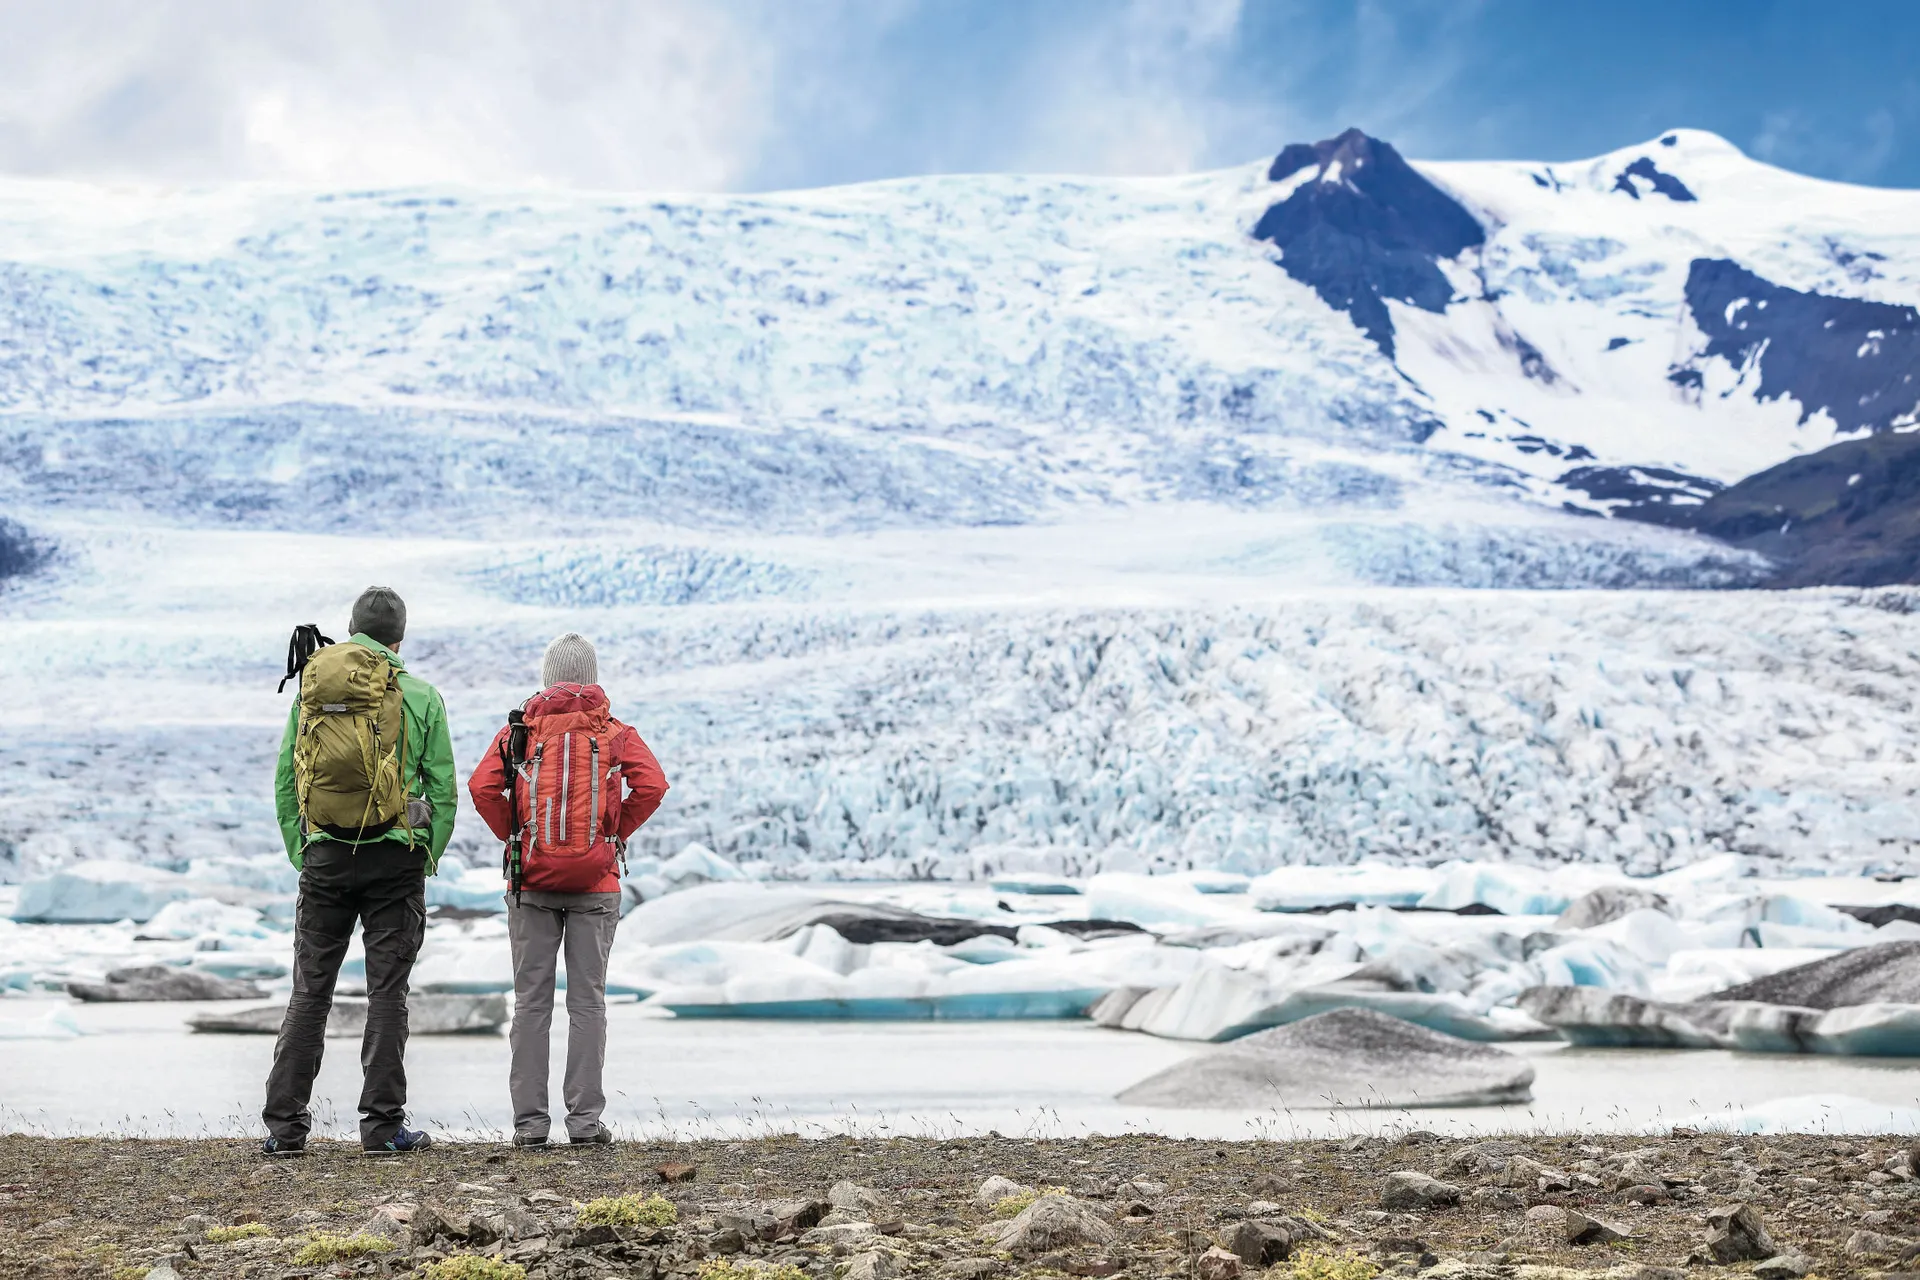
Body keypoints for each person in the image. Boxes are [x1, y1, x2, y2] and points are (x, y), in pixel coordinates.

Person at [262, 587, 458, 1155]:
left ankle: (285, 1128)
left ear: (351, 630)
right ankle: (381, 1127)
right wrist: (425, 853)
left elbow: (285, 783)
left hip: (325, 855)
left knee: (310, 990)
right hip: (393, 860)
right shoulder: (420, 696)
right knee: (387, 993)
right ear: (400, 637)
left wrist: (306, 851)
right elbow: (441, 789)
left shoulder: (312, 692)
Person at [468, 632, 668, 1148]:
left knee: (531, 1005)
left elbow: (482, 787)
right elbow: (652, 785)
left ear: (547, 677)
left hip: (530, 880)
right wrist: (613, 834)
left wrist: (517, 839)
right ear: (592, 677)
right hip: (597, 884)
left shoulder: (520, 730)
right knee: (588, 1003)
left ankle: (530, 1127)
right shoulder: (616, 731)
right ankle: (584, 1125)